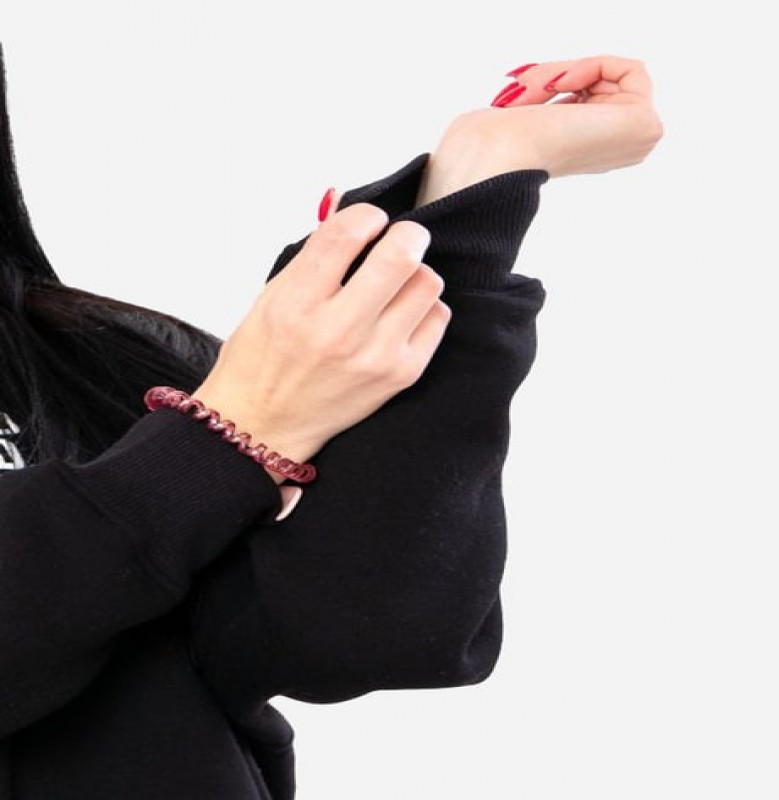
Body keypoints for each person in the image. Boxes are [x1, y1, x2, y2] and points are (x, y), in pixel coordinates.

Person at [0, 45, 663, 800]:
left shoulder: (87, 360)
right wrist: (227, 435)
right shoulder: (204, 411)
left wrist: (466, 207)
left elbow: (365, 630)